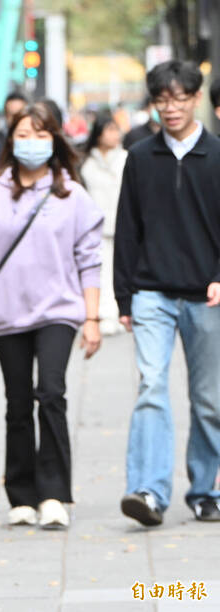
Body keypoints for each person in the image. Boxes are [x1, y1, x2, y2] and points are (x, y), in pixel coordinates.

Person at [0, 102, 104, 529]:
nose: (32, 143)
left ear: (55, 141)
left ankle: (53, 493)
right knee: (17, 403)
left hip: (59, 312)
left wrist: (91, 318)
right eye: (24, 135)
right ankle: (21, 492)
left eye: (41, 134)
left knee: (50, 393)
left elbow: (90, 260)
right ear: (11, 141)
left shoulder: (72, 195)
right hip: (7, 313)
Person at [114, 60, 220, 526]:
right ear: (153, 103)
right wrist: (124, 299)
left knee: (210, 398)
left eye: (180, 98)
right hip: (152, 292)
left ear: (196, 99)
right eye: (162, 99)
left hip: (208, 294)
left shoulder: (218, 156)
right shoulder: (139, 157)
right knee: (152, 386)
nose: (171, 108)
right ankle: (149, 491)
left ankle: (206, 488)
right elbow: (127, 229)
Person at [80, 112, 127, 335]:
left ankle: (121, 313)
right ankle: (101, 314)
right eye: (108, 129)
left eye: (115, 129)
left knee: (120, 271)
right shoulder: (87, 163)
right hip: (96, 228)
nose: (114, 134)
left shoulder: (126, 158)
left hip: (123, 226)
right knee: (99, 273)